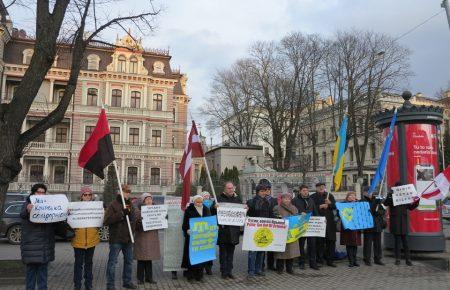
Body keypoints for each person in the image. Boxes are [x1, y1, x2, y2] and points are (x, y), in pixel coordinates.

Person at [20, 183, 67, 290]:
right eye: (38, 192)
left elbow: (56, 225)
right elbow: (22, 214)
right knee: (30, 278)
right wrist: (28, 210)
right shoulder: (27, 204)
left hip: (45, 248)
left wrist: (63, 214)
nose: (41, 194)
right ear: (33, 193)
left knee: (43, 278)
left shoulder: (49, 206)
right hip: (31, 249)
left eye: (43, 192)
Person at [104, 185, 137, 290]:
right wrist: (121, 213)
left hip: (128, 238)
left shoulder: (131, 204)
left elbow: (133, 220)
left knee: (129, 262)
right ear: (120, 192)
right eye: (125, 191)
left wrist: (131, 215)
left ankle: (127, 281)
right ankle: (110, 285)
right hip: (116, 239)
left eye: (129, 191)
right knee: (112, 262)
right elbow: (107, 221)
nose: (127, 193)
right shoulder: (113, 205)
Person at [70, 187, 100, 290]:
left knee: (89, 263)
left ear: (91, 197)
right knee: (78, 264)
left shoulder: (96, 207)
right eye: (85, 195)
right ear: (81, 196)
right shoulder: (75, 207)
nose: (87, 196)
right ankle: (77, 285)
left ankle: (88, 284)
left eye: (89, 195)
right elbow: (69, 222)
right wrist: (69, 213)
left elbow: (101, 220)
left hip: (92, 240)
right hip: (78, 240)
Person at [383, 183, 420, 266]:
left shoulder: (404, 198)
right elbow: (385, 203)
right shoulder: (391, 197)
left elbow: (410, 207)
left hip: (403, 223)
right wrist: (390, 195)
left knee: (406, 243)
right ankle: (398, 259)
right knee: (397, 243)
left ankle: (408, 259)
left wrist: (416, 202)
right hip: (395, 223)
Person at [181, 195, 212, 282]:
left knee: (201, 257)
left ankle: (200, 276)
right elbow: (185, 223)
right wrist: (187, 230)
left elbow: (210, 221)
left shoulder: (206, 209)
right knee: (192, 257)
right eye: (197, 202)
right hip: (192, 238)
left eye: (200, 202)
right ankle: (190, 276)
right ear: (194, 202)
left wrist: (213, 227)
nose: (199, 204)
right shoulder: (189, 210)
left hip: (203, 238)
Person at [246, 182, 273, 279]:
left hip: (264, 229)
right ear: (257, 192)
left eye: (264, 191)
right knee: (253, 251)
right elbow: (246, 214)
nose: (263, 192)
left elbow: (270, 215)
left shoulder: (267, 202)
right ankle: (251, 271)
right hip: (253, 229)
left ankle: (258, 269)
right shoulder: (251, 202)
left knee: (261, 250)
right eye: (261, 191)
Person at [216, 182, 242, 279]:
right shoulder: (218, 199)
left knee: (231, 253)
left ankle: (229, 271)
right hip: (223, 231)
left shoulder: (237, 199)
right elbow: (212, 211)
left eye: (232, 188)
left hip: (233, 231)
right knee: (223, 253)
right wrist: (214, 208)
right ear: (224, 189)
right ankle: (223, 271)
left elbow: (241, 212)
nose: (231, 190)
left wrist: (245, 209)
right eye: (229, 188)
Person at [134, 193, 161, 284]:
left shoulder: (156, 210)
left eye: (150, 199)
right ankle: (140, 279)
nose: (149, 201)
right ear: (143, 201)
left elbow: (160, 222)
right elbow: (135, 225)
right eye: (147, 199)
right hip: (142, 237)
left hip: (151, 237)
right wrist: (141, 223)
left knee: (149, 259)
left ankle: (149, 278)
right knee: (141, 259)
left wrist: (164, 218)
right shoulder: (138, 211)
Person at [292, 184, 319, 270]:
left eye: (307, 190)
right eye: (304, 190)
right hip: (300, 226)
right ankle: (301, 263)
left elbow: (315, 211)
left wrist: (320, 220)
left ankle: (313, 263)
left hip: (311, 226)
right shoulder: (295, 200)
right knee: (301, 245)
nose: (305, 192)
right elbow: (292, 212)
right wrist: (300, 213)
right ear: (300, 191)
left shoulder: (311, 200)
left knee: (312, 245)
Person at [273, 193, 300, 275]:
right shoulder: (277, 208)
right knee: (281, 251)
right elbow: (274, 218)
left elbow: (297, 218)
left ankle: (289, 268)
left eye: (288, 199)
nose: (287, 200)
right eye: (285, 199)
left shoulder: (294, 208)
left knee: (291, 252)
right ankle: (280, 268)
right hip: (280, 232)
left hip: (291, 232)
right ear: (282, 199)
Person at [311, 182, 337, 267]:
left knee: (331, 241)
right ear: (316, 188)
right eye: (319, 187)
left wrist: (330, 203)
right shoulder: (313, 197)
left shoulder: (330, 195)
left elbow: (335, 206)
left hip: (330, 222)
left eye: (323, 186)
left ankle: (330, 260)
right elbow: (311, 208)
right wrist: (320, 206)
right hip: (318, 222)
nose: (321, 188)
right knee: (320, 242)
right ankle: (320, 259)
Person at [363, 188, 386, 266]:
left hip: (377, 224)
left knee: (377, 244)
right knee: (367, 244)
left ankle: (378, 258)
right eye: (367, 192)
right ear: (364, 193)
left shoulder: (378, 200)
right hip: (368, 225)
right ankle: (367, 259)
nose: (369, 193)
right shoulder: (362, 201)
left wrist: (378, 212)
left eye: (371, 192)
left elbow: (383, 211)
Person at [258, 178, 277, 272]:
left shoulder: (274, 200)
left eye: (268, 189)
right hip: (261, 225)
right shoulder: (258, 200)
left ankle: (271, 264)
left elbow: (276, 212)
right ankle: (261, 265)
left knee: (271, 247)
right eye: (265, 190)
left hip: (272, 225)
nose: (267, 191)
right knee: (261, 246)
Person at [339, 192, 362, 267]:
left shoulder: (359, 204)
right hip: (347, 228)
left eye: (353, 195)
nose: (352, 197)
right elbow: (340, 214)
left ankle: (355, 260)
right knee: (349, 244)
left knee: (355, 244)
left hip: (356, 227)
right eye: (350, 196)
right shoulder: (343, 204)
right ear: (347, 197)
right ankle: (351, 261)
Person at [201, 191, 215, 275]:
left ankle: (209, 267)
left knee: (209, 250)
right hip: (202, 231)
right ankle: (201, 267)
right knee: (202, 250)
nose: (206, 197)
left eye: (207, 196)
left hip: (210, 230)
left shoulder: (213, 204)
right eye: (204, 196)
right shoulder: (199, 205)